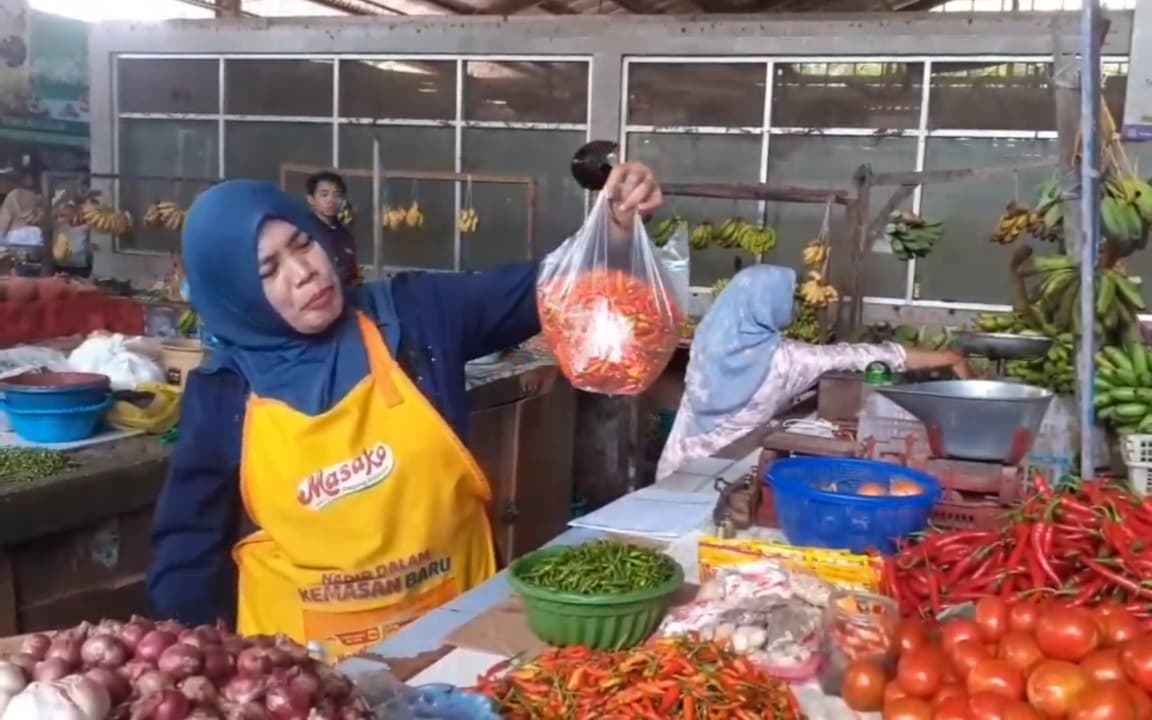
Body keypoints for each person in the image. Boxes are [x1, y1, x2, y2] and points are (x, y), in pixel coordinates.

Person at [147, 163, 664, 658]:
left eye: (303, 243)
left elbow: (545, 289)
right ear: (235, 295)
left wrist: (615, 227)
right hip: (310, 673)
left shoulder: (414, 315)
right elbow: (186, 553)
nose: (304, 272)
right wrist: (210, 671)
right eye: (269, 269)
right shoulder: (225, 393)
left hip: (461, 641)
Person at [656, 264, 970, 480]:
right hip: (724, 473)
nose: (791, 306)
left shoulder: (705, 339)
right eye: (786, 298)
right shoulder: (787, 360)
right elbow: (865, 356)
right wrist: (946, 357)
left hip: (676, 466)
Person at [305, 170, 360, 287]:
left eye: (337, 195)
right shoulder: (303, 232)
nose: (331, 200)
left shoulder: (345, 235)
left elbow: (354, 277)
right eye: (324, 195)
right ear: (311, 199)